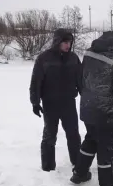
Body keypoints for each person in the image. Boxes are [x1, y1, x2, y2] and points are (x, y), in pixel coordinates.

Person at [70, 26, 113, 186]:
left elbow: (80, 77)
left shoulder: (90, 52)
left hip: (87, 106)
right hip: (107, 111)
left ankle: (79, 173)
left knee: (91, 139)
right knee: (108, 147)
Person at [29, 28, 82, 172]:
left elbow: (81, 81)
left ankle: (78, 163)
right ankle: (48, 167)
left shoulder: (73, 58)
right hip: (50, 103)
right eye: (65, 42)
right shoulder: (44, 58)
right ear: (57, 42)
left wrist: (87, 98)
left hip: (68, 103)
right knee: (49, 135)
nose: (68, 45)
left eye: (70, 42)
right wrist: (35, 102)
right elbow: (36, 82)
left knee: (73, 134)